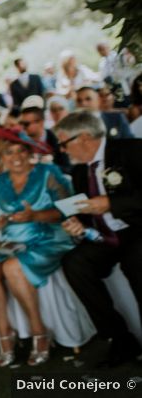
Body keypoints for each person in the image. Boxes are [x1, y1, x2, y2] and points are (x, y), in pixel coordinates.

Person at [55, 111, 142, 367]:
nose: (61, 150)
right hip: (107, 237)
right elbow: (86, 210)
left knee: (137, 261)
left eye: (63, 143)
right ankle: (119, 338)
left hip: (137, 231)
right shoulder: (81, 171)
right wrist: (77, 224)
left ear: (84, 137)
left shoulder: (132, 150)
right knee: (74, 263)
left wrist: (111, 203)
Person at [0, 139, 74, 367]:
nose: (16, 157)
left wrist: (36, 216)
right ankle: (5, 335)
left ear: (30, 152)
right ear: (1, 157)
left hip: (49, 236)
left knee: (13, 266)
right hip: (13, 241)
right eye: (9, 152)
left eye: (21, 150)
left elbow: (69, 208)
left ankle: (39, 332)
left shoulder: (48, 173)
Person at [19, 106, 71, 174]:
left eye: (26, 124)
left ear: (41, 122)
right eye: (21, 123)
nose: (22, 127)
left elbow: (68, 169)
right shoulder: (19, 141)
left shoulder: (58, 141)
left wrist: (49, 166)